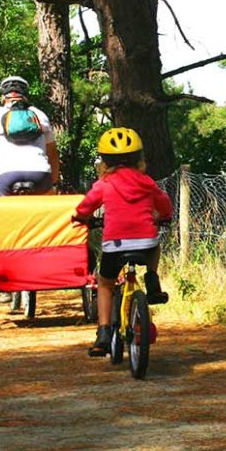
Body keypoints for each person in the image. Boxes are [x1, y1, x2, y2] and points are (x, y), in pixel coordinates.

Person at [72, 128, 173, 358]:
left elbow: (86, 206)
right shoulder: (146, 182)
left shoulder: (104, 184)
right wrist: (164, 217)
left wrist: (80, 218)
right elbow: (164, 203)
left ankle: (104, 333)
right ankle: (152, 278)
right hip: (145, 242)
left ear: (104, 162)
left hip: (115, 246)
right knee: (154, 245)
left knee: (105, 283)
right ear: (139, 159)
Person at [0, 76, 61, 196]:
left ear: (3, 97)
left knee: (1, 213)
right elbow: (53, 153)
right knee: (47, 212)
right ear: (25, 95)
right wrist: (52, 180)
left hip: (4, 175)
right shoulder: (39, 115)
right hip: (39, 173)